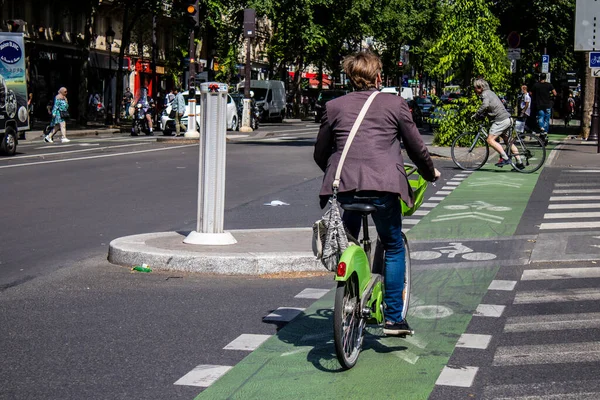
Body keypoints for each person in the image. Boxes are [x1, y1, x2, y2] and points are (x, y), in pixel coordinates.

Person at [314, 51, 440, 336]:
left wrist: (339, 175)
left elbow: (321, 153)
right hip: (383, 188)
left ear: (350, 77)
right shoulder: (395, 104)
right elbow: (416, 147)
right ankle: (394, 319)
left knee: (348, 239)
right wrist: (430, 172)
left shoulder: (333, 106)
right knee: (393, 245)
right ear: (378, 76)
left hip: (344, 189)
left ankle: (350, 288)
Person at [472, 79, 522, 169]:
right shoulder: (491, 93)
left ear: (480, 88)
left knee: (490, 140)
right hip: (507, 118)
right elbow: (491, 107)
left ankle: (505, 158)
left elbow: (485, 105)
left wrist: (477, 114)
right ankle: (519, 162)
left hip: (501, 120)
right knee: (508, 141)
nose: (474, 90)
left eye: (475, 88)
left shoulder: (485, 94)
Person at [531, 73, 556, 141]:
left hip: (539, 104)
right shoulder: (549, 85)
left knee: (540, 117)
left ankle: (541, 128)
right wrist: (550, 96)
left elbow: (531, 93)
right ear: (545, 78)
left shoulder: (536, 85)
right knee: (547, 119)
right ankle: (545, 131)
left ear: (540, 78)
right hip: (547, 104)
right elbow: (555, 93)